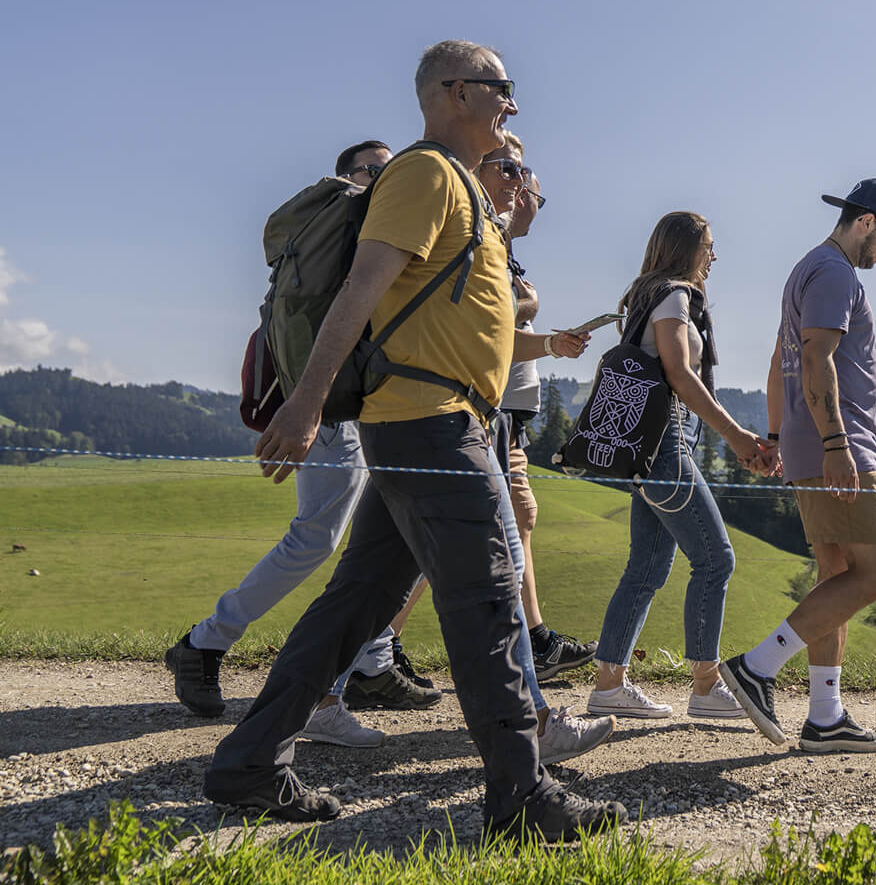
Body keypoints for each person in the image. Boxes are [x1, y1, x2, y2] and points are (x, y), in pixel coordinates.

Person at [203, 41, 626, 844]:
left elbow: (468, 322)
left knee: (356, 604)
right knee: (488, 602)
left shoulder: (464, 190)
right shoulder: (426, 175)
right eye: (502, 87)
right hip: (432, 426)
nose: (513, 102)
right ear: (455, 92)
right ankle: (521, 798)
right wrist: (305, 402)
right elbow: (361, 290)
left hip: (431, 423)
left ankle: (249, 762)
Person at [166, 141, 439, 749]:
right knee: (318, 536)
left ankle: (370, 662)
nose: (385, 176)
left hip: (366, 398)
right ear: (347, 176)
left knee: (384, 534)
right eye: (374, 168)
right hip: (334, 401)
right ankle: (204, 643)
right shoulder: (349, 222)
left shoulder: (349, 229)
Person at [720, 178, 876, 754]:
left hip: (811, 444)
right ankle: (757, 667)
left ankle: (825, 716)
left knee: (837, 576)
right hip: (840, 445)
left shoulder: (806, 269)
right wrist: (837, 445)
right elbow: (815, 358)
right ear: (866, 222)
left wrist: (778, 434)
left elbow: (777, 361)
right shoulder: (835, 274)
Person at [585, 212, 776, 722]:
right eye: (708, 246)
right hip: (666, 445)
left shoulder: (649, 295)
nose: (713, 256)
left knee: (646, 567)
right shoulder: (673, 296)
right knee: (716, 560)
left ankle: (609, 685)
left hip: (650, 447)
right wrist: (736, 436)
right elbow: (680, 375)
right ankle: (707, 685)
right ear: (685, 249)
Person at [476, 140, 596, 677]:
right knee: (490, 527)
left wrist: (545, 335)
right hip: (492, 409)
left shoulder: (501, 247)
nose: (531, 204)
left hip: (507, 411)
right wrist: (535, 313)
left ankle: (534, 641)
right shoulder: (486, 241)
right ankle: (377, 650)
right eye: (532, 193)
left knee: (516, 519)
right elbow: (492, 329)